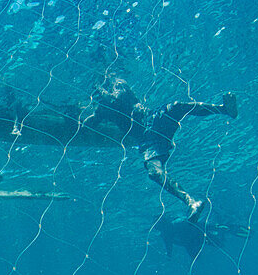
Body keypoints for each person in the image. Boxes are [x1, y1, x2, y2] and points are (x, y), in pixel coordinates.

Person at [87, 76, 237, 221]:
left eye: (99, 88)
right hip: (147, 140)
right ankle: (192, 203)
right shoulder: (102, 108)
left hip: (153, 119)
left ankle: (224, 109)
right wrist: (89, 117)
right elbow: (92, 121)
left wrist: (102, 93)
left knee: (177, 107)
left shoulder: (117, 85)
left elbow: (118, 98)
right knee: (153, 172)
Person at [153, 214, 248, 261]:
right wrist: (169, 254)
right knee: (197, 259)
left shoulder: (178, 223)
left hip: (199, 236)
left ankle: (225, 229)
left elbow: (198, 224)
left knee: (220, 244)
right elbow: (168, 245)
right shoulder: (165, 234)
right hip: (191, 243)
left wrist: (215, 227)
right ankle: (223, 232)